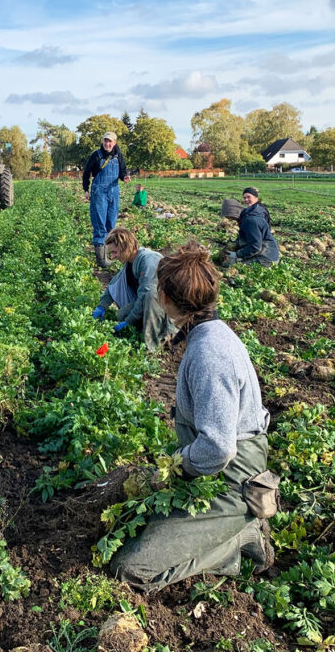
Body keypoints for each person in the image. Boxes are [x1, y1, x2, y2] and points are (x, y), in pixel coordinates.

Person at [109, 241, 275, 591]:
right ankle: (231, 527)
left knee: (131, 568)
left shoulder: (210, 354)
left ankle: (239, 541)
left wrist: (176, 467)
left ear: (167, 299)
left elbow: (217, 448)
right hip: (216, 470)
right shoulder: (209, 334)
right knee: (149, 523)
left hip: (231, 479)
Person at [91, 228, 175, 352]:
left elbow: (147, 294)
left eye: (114, 252)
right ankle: (145, 328)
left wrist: (128, 321)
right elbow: (116, 283)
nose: (112, 257)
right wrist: (102, 306)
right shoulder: (131, 261)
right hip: (150, 303)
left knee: (149, 295)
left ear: (125, 247)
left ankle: (156, 342)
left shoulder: (148, 260)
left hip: (168, 309)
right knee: (122, 314)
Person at [82, 131, 129, 267]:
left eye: (110, 141)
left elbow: (122, 171)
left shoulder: (117, 155)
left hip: (113, 192)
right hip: (99, 193)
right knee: (100, 225)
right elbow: (86, 173)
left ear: (114, 143)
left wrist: (124, 177)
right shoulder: (96, 155)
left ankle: (110, 255)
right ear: (103, 142)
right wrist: (86, 189)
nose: (107, 144)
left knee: (111, 225)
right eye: (105, 141)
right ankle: (102, 261)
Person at [224, 187, 279, 266]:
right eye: (244, 197)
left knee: (236, 267)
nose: (246, 199)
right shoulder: (249, 213)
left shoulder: (251, 220)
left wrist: (237, 254)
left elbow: (255, 246)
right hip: (263, 248)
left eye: (248, 197)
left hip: (266, 256)